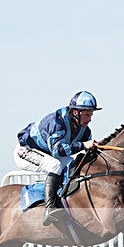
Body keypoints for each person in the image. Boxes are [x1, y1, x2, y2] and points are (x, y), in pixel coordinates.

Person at [14, 91, 100, 226]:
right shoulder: (56, 122)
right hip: (26, 151)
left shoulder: (84, 130)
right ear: (76, 112)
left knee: (72, 165)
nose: (90, 119)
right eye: (87, 114)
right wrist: (84, 145)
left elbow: (85, 150)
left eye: (91, 114)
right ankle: (50, 208)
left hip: (47, 153)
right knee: (55, 165)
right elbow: (58, 151)